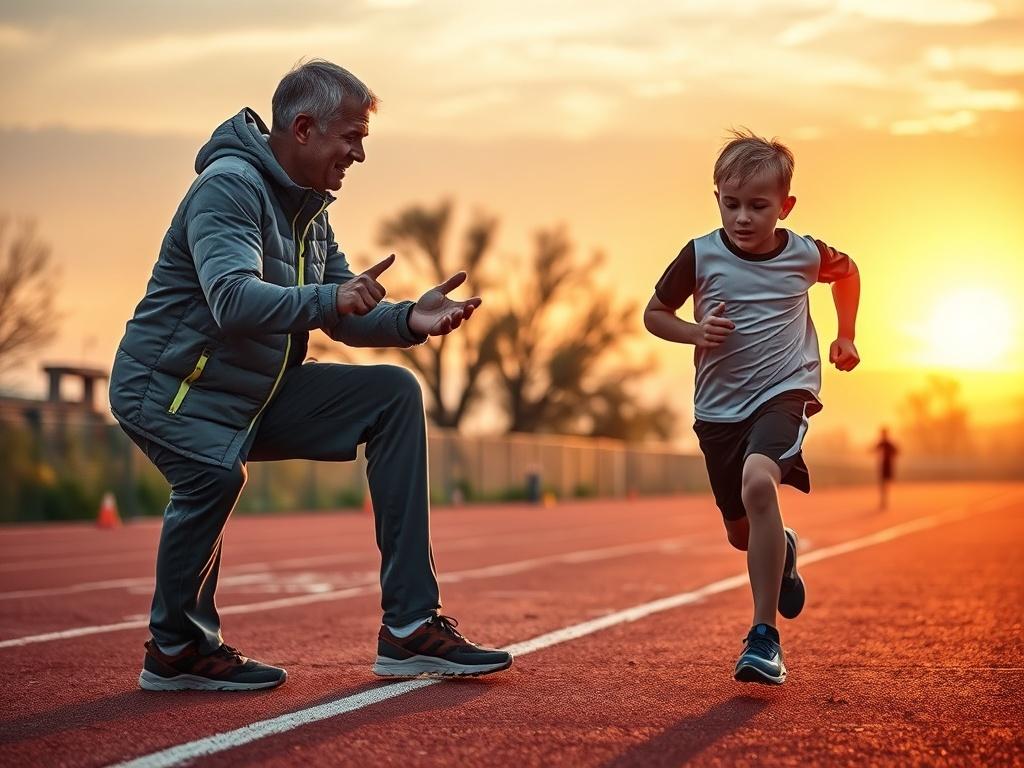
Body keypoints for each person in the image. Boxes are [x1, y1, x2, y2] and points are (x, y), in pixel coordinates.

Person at [109, 60, 512, 691]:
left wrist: (412, 319)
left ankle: (410, 627)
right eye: (351, 137)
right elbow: (234, 301)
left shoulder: (309, 208)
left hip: (253, 392)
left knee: (394, 394)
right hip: (172, 390)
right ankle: (178, 647)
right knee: (213, 474)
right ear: (303, 128)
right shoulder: (230, 186)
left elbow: (345, 306)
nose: (358, 154)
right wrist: (332, 302)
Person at [643, 130, 861, 685]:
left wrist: (846, 336)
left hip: (784, 391)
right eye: (731, 203)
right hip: (718, 411)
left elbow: (849, 272)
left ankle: (763, 638)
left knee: (760, 482)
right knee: (741, 533)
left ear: (784, 206)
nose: (742, 217)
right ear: (716, 197)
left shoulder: (805, 254)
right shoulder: (701, 253)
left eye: (758, 206)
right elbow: (653, 314)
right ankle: (780, 548)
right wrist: (695, 331)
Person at [874, 427, 899, 510]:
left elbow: (896, 451)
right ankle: (883, 499)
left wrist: (891, 455)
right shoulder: (880, 443)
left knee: (886, 482)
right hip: (881, 466)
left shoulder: (889, 444)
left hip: (888, 466)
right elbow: (874, 450)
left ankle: (885, 497)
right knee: (882, 482)